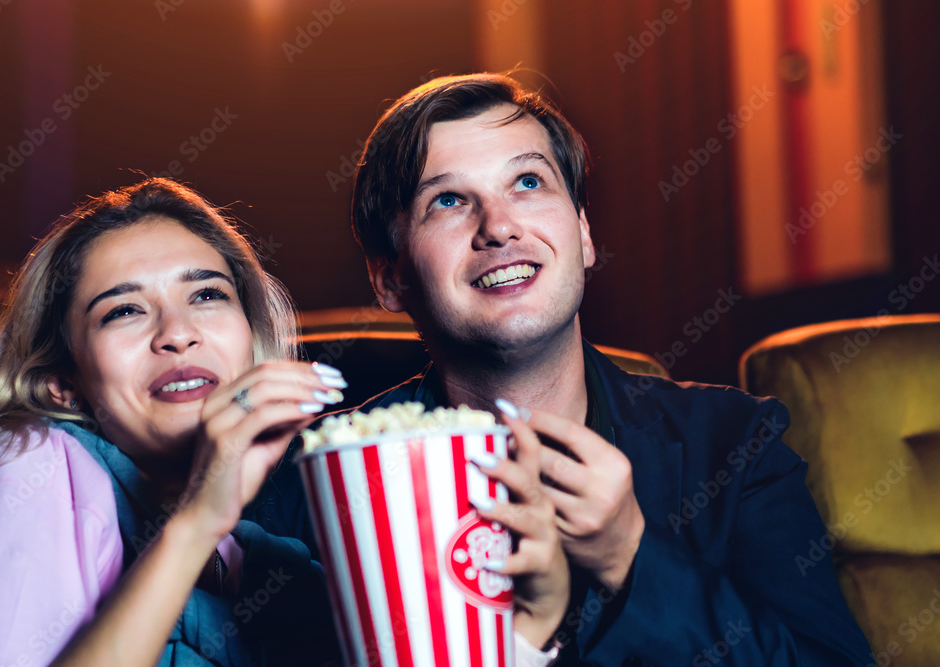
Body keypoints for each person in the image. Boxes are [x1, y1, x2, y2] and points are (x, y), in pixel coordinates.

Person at [343, 73, 873, 664]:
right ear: (389, 277)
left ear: (584, 233)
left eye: (527, 182)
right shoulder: (328, 481)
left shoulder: (735, 443)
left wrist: (631, 556)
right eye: (447, 200)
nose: (498, 227)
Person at [0, 178, 346, 665]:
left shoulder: (254, 549)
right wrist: (197, 522)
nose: (177, 333)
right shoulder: (28, 462)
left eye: (206, 295)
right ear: (62, 382)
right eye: (124, 310)